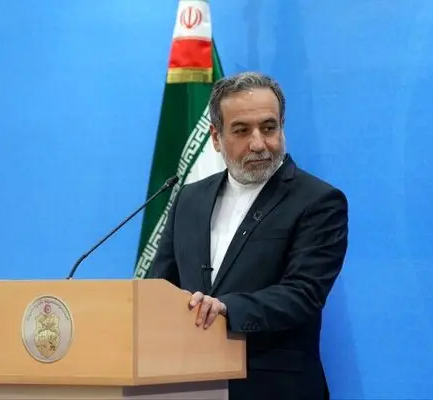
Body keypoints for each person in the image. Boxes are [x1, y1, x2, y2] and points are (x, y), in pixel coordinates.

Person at [147, 71, 348, 400]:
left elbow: (304, 293)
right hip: (188, 383)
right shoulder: (189, 198)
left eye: (269, 128)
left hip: (274, 387)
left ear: (282, 127)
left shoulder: (318, 201)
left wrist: (226, 307)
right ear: (216, 137)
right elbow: (160, 285)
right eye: (241, 130)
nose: (258, 143)